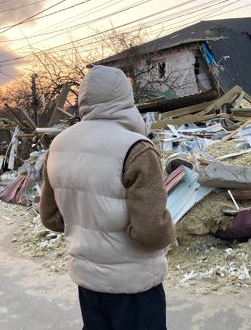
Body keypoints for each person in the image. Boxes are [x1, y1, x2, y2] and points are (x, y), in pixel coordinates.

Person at [40, 65, 175, 330]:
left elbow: (51, 218)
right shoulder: (136, 148)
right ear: (126, 98)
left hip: (88, 282)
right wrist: (169, 233)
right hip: (134, 285)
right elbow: (150, 233)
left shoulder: (58, 145)